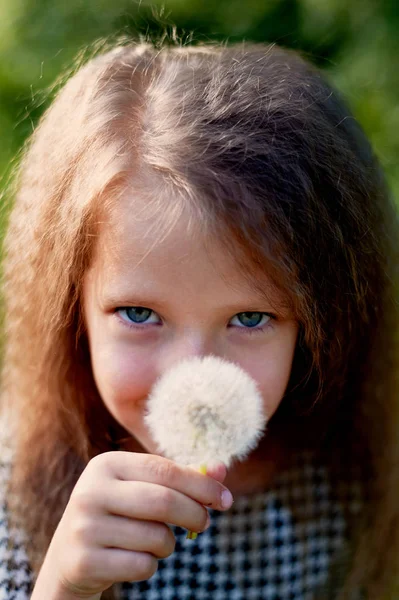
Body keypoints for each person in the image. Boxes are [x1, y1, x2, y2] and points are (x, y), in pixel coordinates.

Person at [0, 38, 398, 600]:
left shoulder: (346, 484)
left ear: (321, 321)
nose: (194, 378)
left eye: (250, 318)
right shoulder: (12, 496)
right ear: (73, 309)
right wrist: (64, 587)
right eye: (140, 314)